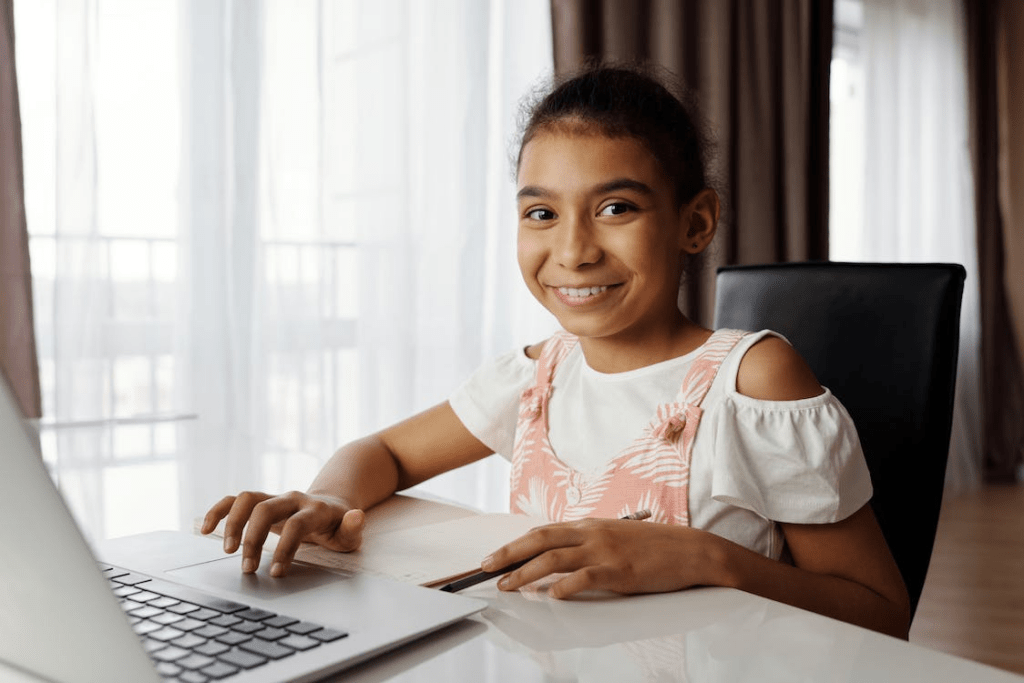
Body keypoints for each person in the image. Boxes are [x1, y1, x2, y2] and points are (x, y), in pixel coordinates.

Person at [202, 64, 911, 639]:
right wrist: (329, 496)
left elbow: (882, 614)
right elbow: (384, 453)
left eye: (616, 208)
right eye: (541, 213)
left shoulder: (752, 382)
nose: (572, 250)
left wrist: (708, 558)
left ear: (696, 223)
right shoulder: (539, 372)